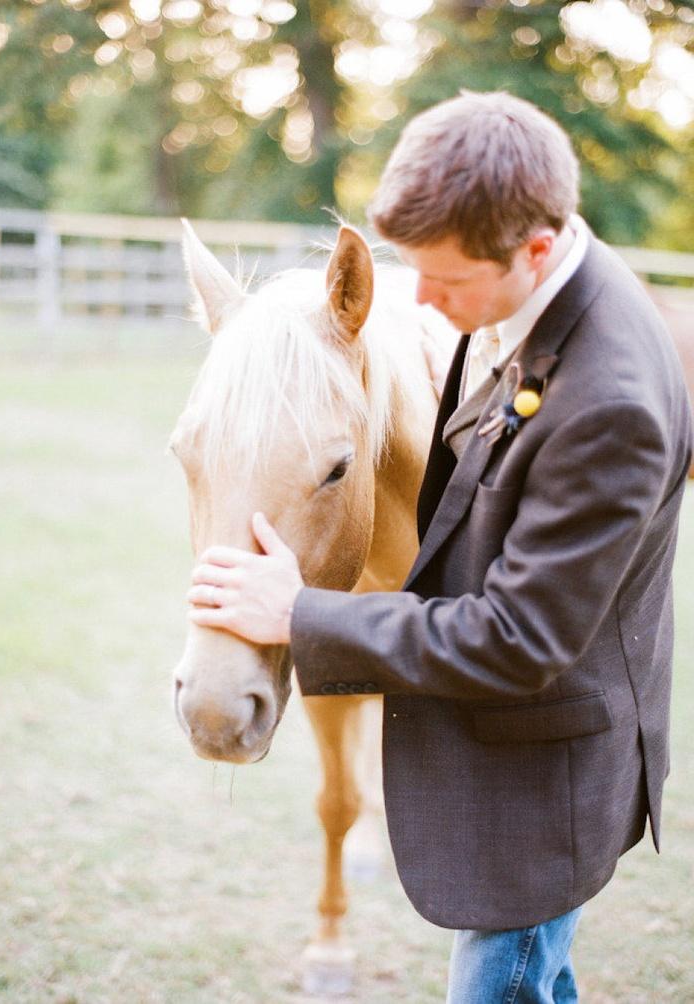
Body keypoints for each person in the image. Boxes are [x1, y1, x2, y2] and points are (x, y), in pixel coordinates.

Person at [187, 91, 693, 1002]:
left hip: (544, 770)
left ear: (535, 248)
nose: (419, 301)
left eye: (446, 281)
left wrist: (297, 615)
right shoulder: (531, 289)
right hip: (514, 744)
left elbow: (522, 639)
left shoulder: (607, 398)